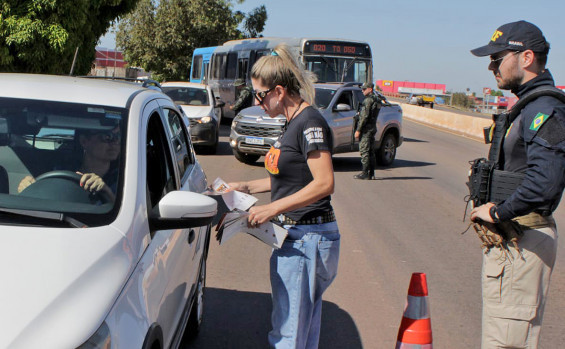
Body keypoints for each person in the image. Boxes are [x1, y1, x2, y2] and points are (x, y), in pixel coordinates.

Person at [228, 44, 340, 349]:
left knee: (288, 335)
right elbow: (292, 179)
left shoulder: (310, 123)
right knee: (301, 332)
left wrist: (271, 209)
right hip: (302, 237)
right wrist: (246, 187)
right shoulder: (294, 122)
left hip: (307, 238)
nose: (257, 101)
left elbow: (324, 183)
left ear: (279, 91)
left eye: (261, 94)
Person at [469, 20, 565, 348]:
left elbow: (545, 181)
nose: (491, 66)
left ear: (525, 58)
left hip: (524, 238)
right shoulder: (527, 106)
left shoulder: (544, 109)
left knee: (507, 343)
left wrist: (498, 212)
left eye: (497, 58)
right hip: (515, 242)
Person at [18, 126, 121, 202]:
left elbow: (125, 217)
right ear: (84, 141)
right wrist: (29, 189)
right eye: (108, 137)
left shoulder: (124, 180)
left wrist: (106, 192)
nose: (115, 142)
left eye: (118, 137)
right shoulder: (60, 172)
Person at [353, 82, 381, 180]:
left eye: (364, 89)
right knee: (371, 151)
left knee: (364, 150)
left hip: (366, 129)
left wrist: (358, 130)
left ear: (370, 89)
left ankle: (365, 173)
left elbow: (364, 117)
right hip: (372, 128)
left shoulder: (368, 100)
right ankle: (371, 173)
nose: (362, 91)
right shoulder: (376, 100)